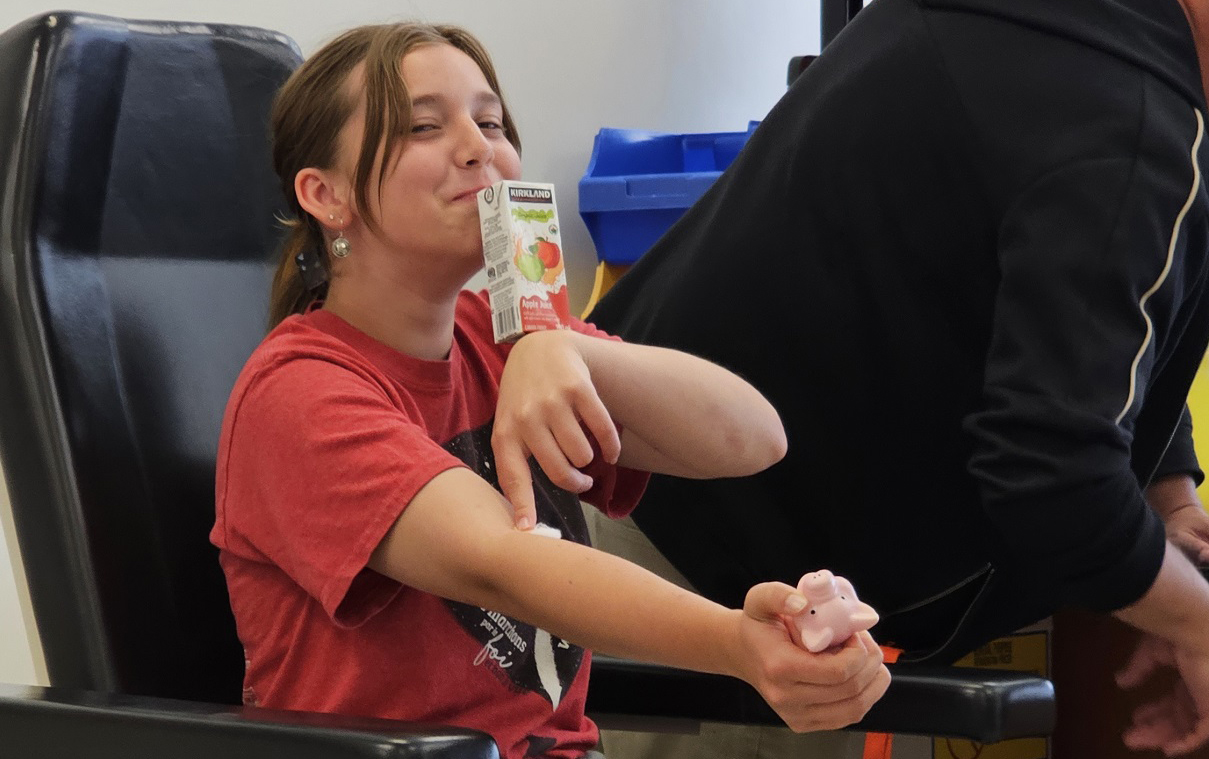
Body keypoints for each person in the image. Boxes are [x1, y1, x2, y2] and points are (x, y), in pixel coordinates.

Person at [208, 22, 890, 759]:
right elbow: (502, 561)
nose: (479, 147)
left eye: (491, 120)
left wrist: (557, 343)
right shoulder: (296, 392)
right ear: (325, 195)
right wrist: (734, 639)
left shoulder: (508, 339)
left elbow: (752, 437)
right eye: (425, 126)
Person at [588, 0, 1209, 755]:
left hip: (641, 498)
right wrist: (1195, 621)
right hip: (719, 587)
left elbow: (1095, 322)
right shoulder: (1132, 120)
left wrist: (1168, 505)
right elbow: (1053, 477)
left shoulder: (1057, 34)